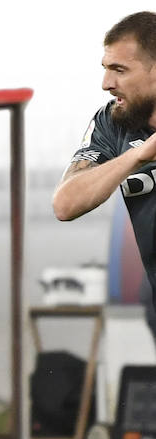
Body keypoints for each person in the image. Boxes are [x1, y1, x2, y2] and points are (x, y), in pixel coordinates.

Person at [53, 11, 156, 348]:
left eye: (120, 70)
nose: (106, 84)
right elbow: (65, 204)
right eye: (106, 69)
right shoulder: (113, 123)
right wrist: (138, 156)